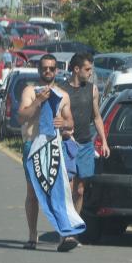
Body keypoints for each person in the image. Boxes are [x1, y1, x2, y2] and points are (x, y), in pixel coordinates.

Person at [17, 54, 77, 252]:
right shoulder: (29, 91)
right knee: (33, 193)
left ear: (57, 70)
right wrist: (38, 102)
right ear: (39, 70)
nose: (48, 72)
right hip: (33, 145)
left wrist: (64, 123)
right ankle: (32, 236)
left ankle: (64, 236)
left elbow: (70, 123)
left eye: (52, 68)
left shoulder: (62, 95)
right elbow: (21, 117)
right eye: (45, 68)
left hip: (53, 146)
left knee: (58, 191)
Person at [63, 53, 110, 214]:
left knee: (80, 190)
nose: (90, 73)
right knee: (67, 189)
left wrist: (103, 141)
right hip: (66, 144)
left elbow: (97, 117)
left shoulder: (92, 89)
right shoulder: (62, 89)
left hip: (85, 144)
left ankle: (74, 228)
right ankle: (65, 230)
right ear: (76, 69)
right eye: (87, 69)